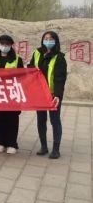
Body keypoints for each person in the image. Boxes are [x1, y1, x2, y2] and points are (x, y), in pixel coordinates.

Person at [29, 31, 67, 159]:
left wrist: (58, 95)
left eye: (51, 39)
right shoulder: (37, 53)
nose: (48, 41)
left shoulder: (59, 57)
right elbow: (31, 67)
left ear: (55, 41)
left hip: (52, 94)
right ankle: (43, 146)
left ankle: (56, 149)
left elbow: (60, 78)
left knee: (55, 120)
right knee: (41, 119)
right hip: (39, 93)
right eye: (46, 38)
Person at [0, 34, 23, 155]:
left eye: (7, 44)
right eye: (2, 44)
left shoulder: (17, 59)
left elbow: (22, 76)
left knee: (12, 118)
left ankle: (12, 143)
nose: (4, 46)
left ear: (11, 46)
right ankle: (0, 142)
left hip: (12, 93)